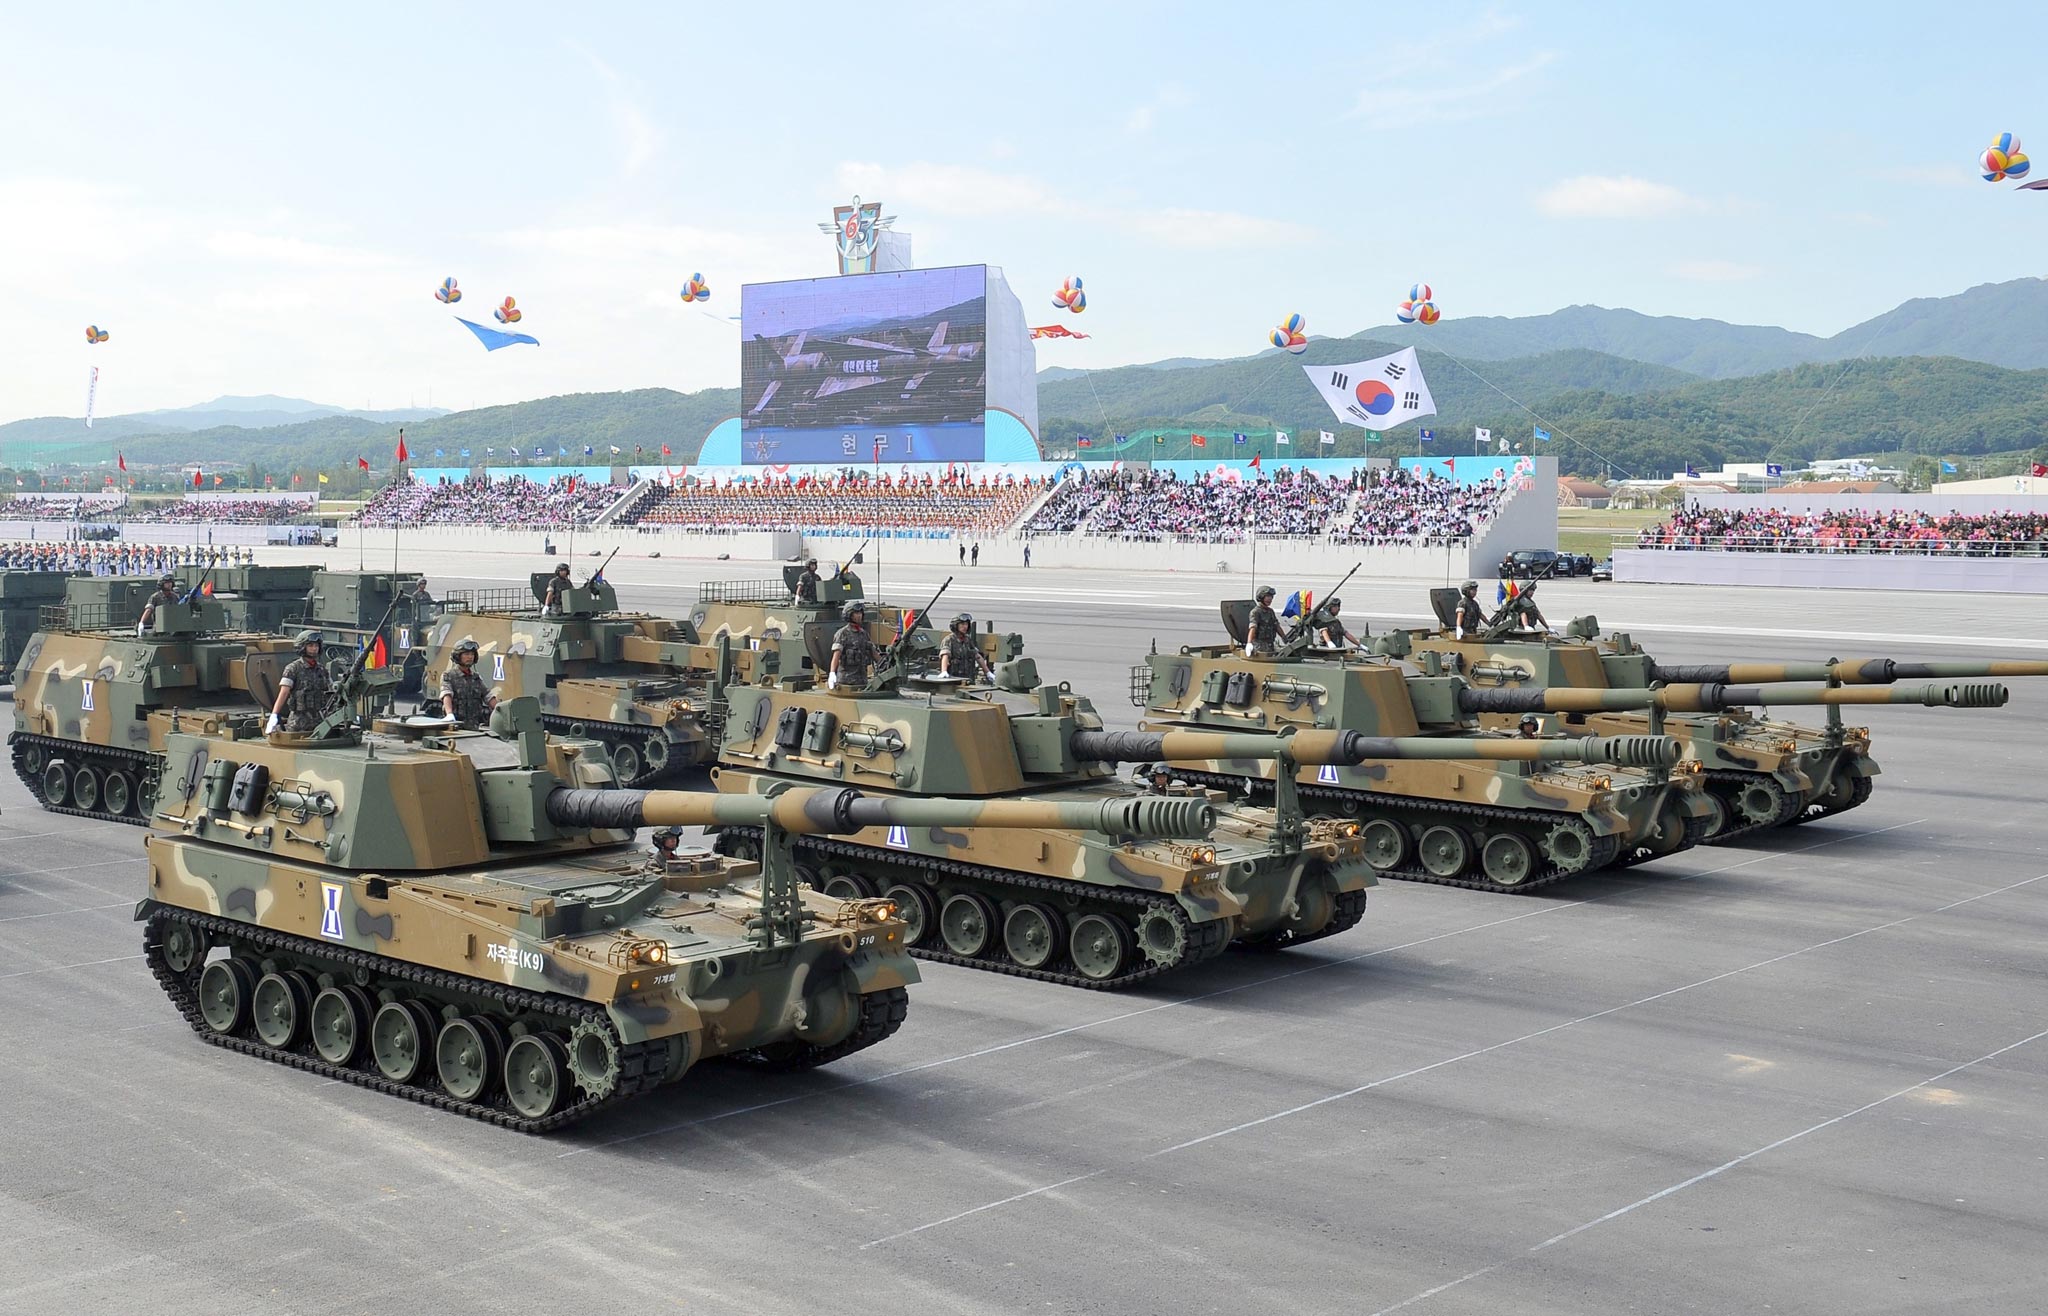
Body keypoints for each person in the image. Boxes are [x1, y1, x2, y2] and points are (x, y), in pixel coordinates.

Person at [267, 631, 333, 735]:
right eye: (310, 645)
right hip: (298, 724)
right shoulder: (293, 669)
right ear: (302, 647)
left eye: (316, 645)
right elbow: (284, 693)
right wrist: (274, 715)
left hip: (320, 723)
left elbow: (332, 692)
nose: (314, 648)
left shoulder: (321, 670)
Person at [440, 639, 496, 727]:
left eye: (472, 654)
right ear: (457, 656)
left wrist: (501, 709)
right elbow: (447, 694)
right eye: (466, 654)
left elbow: (488, 696)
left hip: (474, 725)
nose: (470, 657)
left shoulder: (476, 678)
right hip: (456, 726)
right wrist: (449, 714)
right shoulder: (449, 676)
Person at [829, 602, 876, 690]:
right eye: (856, 613)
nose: (859, 615)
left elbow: (874, 653)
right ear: (849, 615)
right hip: (846, 683)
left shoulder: (864, 634)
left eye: (860, 613)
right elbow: (836, 656)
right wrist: (832, 673)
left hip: (862, 682)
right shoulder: (842, 634)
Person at [938, 613, 991, 682]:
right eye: (962, 624)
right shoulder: (949, 640)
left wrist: (988, 672)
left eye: (966, 624)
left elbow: (977, 656)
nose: (965, 626)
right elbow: (945, 656)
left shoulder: (967, 640)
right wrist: (944, 671)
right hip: (953, 678)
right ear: (955, 625)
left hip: (967, 677)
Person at [1245, 585, 1282, 657]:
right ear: (1261, 597)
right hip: (1259, 646)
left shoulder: (1270, 611)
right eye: (1267, 596)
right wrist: (1249, 643)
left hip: (1270, 645)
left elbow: (1277, 626)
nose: (1270, 599)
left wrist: (1285, 639)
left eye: (1271, 596)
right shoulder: (1256, 612)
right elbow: (1253, 628)